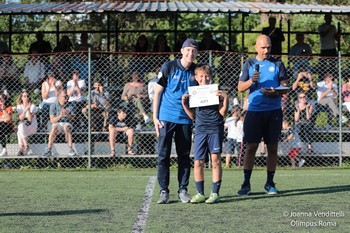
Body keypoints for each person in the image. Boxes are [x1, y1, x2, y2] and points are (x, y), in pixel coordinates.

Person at [237, 35, 289, 195]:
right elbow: (240, 87)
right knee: (251, 147)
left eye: (268, 47)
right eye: (263, 47)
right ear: (256, 47)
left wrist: (276, 92)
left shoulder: (278, 63)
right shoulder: (249, 64)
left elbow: (285, 86)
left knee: (272, 147)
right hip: (254, 111)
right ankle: (246, 184)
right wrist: (251, 81)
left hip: (273, 111)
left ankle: (269, 182)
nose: (266, 51)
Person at [153, 38, 199, 204]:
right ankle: (164, 191)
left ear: (196, 53)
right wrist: (155, 117)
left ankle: (183, 190)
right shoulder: (169, 66)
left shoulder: (196, 71)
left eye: (193, 51)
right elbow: (157, 93)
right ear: (182, 50)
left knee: (184, 156)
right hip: (166, 117)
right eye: (188, 50)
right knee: (163, 155)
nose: (190, 53)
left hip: (185, 119)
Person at [181, 64, 228, 204]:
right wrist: (184, 104)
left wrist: (225, 99)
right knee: (198, 162)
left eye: (207, 76)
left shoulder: (216, 92)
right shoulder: (194, 94)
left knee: (215, 161)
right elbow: (193, 116)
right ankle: (200, 193)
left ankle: (215, 193)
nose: (204, 78)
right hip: (200, 130)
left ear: (211, 77)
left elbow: (222, 113)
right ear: (196, 78)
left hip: (215, 129)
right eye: (201, 76)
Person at [42, 90, 77, 157]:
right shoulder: (53, 105)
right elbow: (52, 120)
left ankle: (71, 149)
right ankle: (49, 150)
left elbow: (74, 118)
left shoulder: (71, 105)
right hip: (57, 122)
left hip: (67, 122)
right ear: (59, 97)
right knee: (54, 128)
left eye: (67, 96)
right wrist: (60, 116)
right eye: (64, 96)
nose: (66, 98)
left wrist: (68, 115)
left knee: (67, 127)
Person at [16, 90, 38, 156]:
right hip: (24, 127)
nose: (26, 98)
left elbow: (30, 119)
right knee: (20, 126)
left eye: (27, 96)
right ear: (21, 98)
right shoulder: (19, 106)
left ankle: (21, 149)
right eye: (24, 96)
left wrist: (28, 109)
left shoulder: (33, 106)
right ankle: (26, 146)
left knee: (19, 131)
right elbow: (21, 118)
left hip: (32, 126)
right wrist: (25, 110)